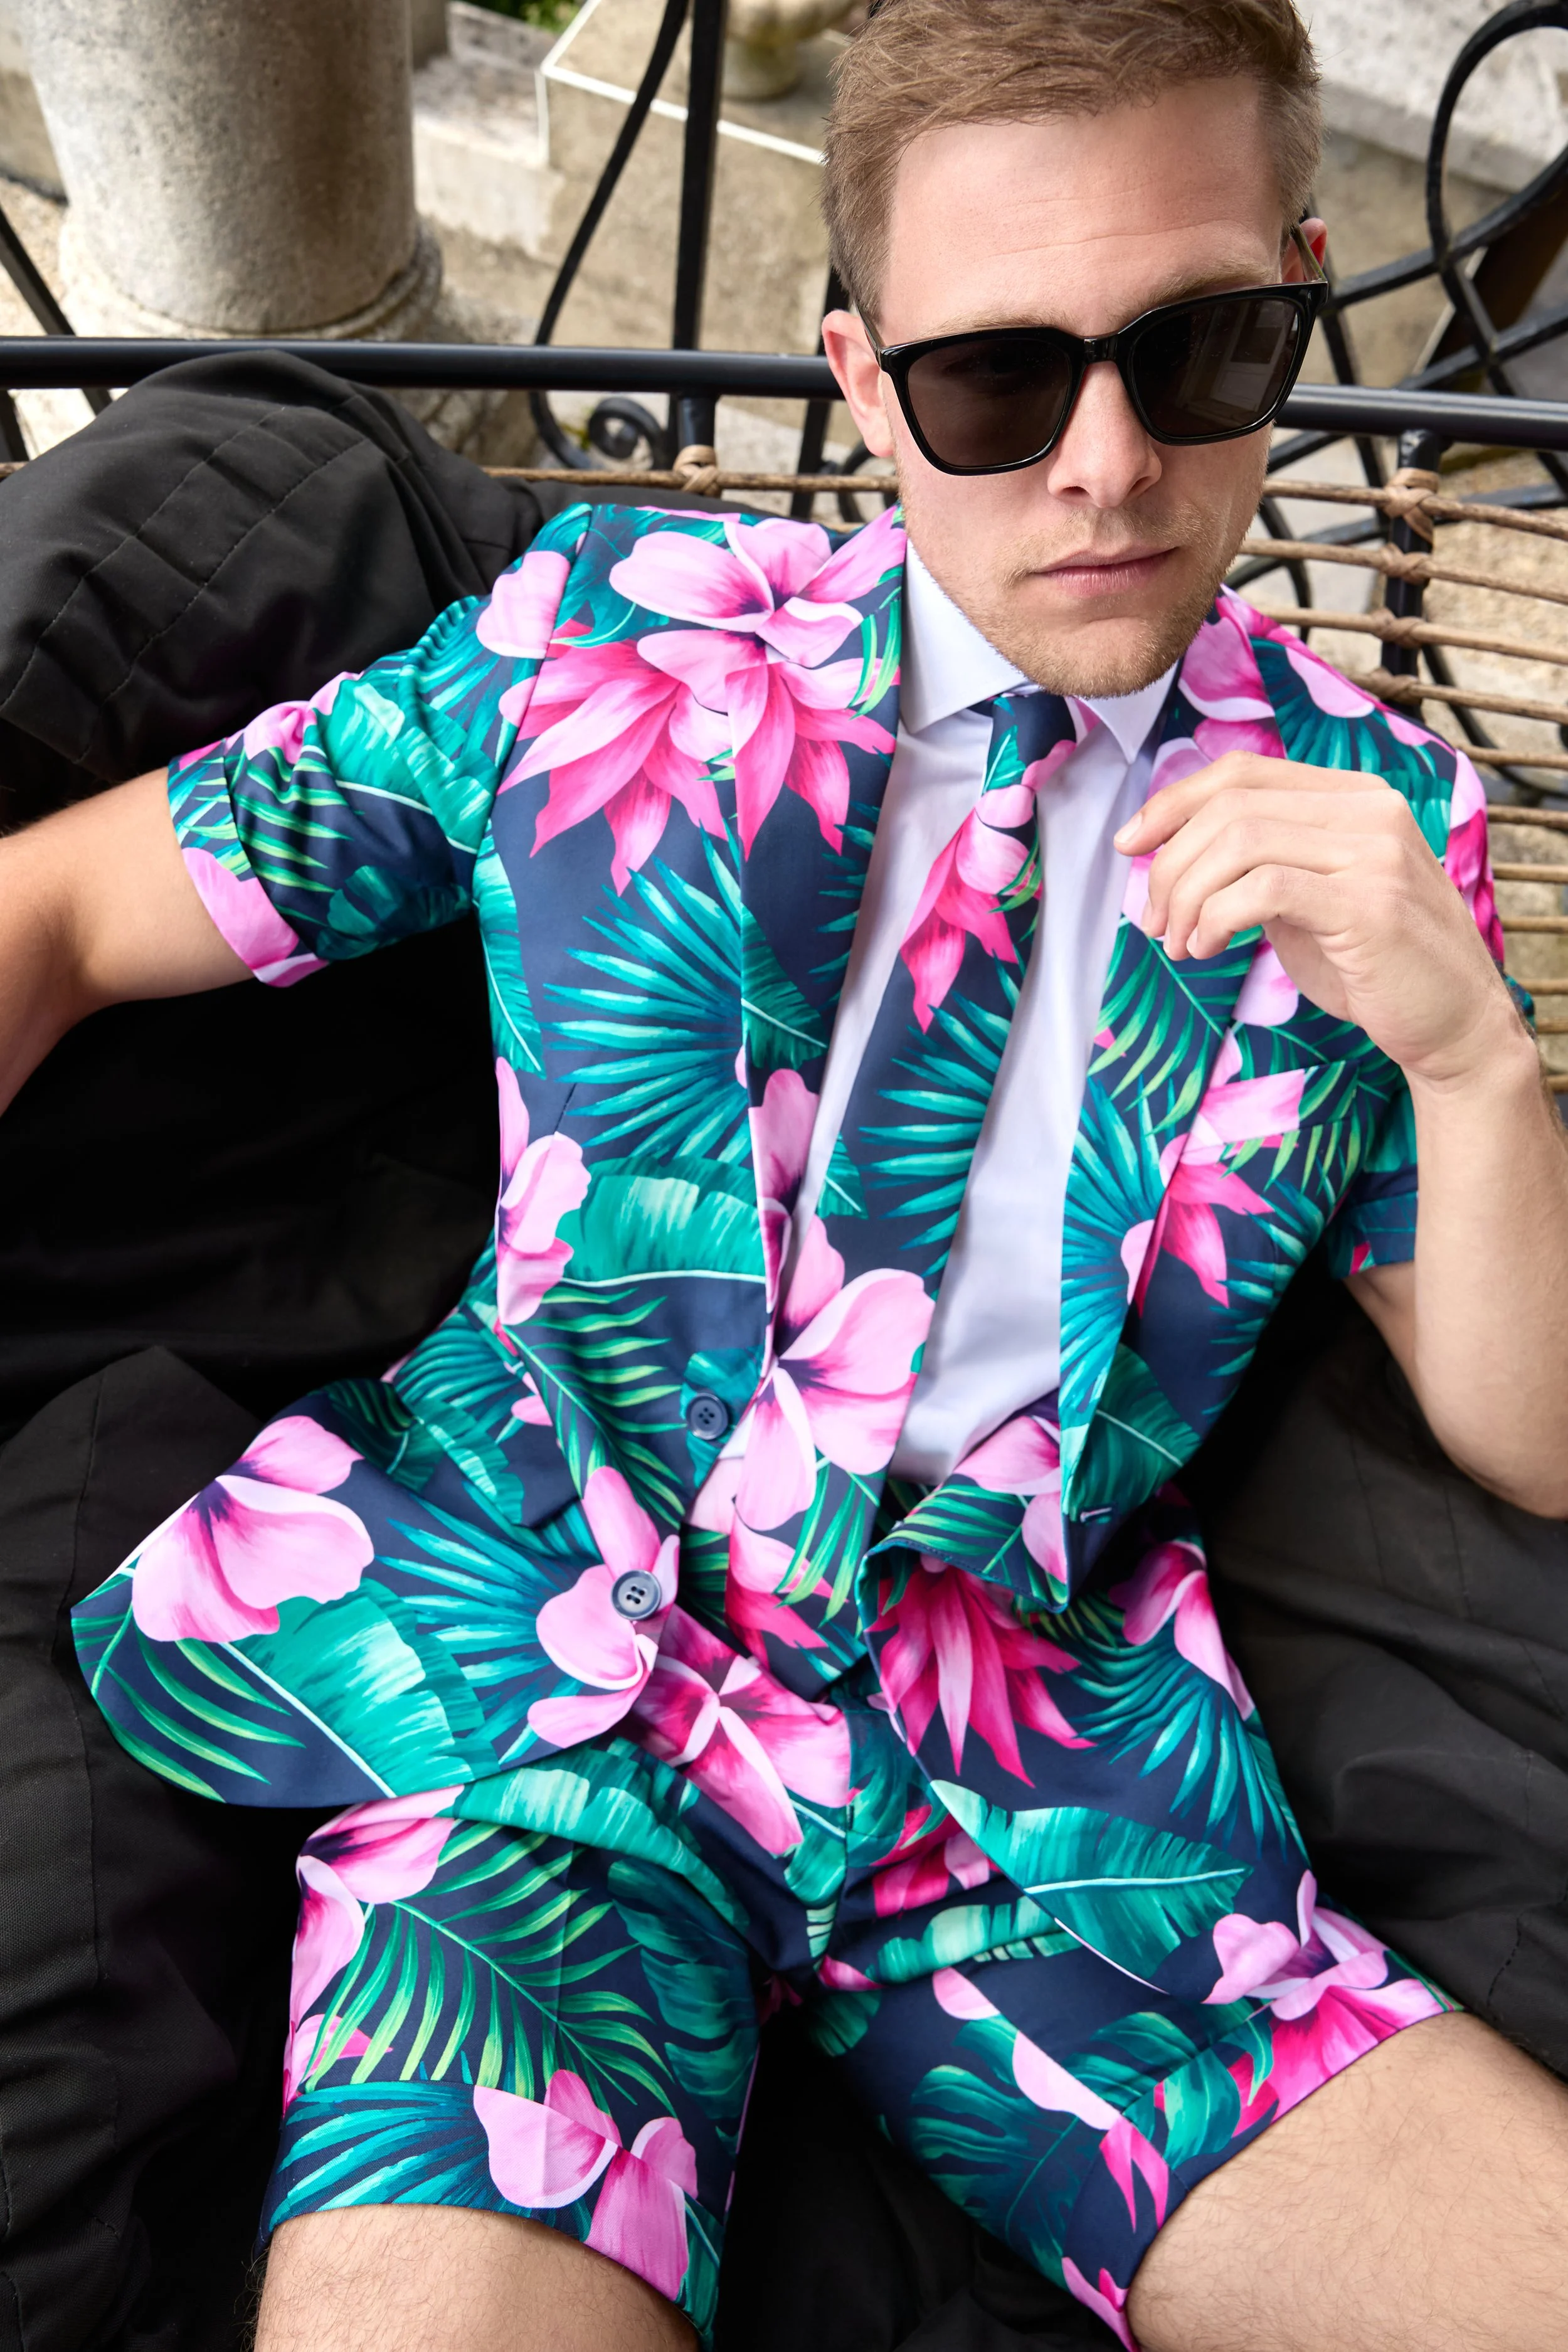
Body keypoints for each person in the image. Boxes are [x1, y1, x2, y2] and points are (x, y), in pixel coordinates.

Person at [5, 6, 1568, 2351]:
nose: (1107, 468)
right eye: (994, 386)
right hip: (540, 1684)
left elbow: (1525, 1428)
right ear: (857, 374)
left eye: (1205, 348)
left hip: (1035, 1760)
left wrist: (1468, 1054)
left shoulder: (1374, 821)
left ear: (1303, 294)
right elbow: (51, 912)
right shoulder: (604, 651)